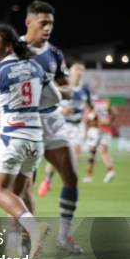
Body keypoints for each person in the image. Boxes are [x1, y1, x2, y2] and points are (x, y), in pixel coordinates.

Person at [0, 24, 56, 259]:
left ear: (7, 46)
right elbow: (54, 98)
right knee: (19, 193)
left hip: (11, 137)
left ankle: (35, 231)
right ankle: (17, 246)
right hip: (35, 140)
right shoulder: (36, 66)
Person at [22, 1, 82, 254]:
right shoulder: (14, 49)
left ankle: (64, 236)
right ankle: (27, 240)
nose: (47, 28)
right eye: (43, 23)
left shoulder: (55, 54)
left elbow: (67, 88)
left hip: (53, 122)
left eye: (51, 24)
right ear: (29, 22)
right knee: (25, 187)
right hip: (25, 124)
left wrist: (54, 87)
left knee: (71, 177)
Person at [39, 59, 93, 194]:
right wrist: (61, 111)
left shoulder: (85, 90)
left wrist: (91, 116)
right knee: (58, 157)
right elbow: (48, 103)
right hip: (60, 125)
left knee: (75, 156)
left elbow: (90, 108)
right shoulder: (61, 85)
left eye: (82, 70)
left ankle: (69, 184)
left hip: (76, 127)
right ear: (71, 71)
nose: (79, 72)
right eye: (77, 69)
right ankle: (47, 180)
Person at [84, 96, 117, 183]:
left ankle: (89, 174)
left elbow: (89, 119)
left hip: (95, 130)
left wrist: (90, 120)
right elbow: (114, 113)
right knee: (104, 152)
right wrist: (109, 121)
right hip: (107, 129)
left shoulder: (92, 105)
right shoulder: (106, 102)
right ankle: (110, 171)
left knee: (92, 152)